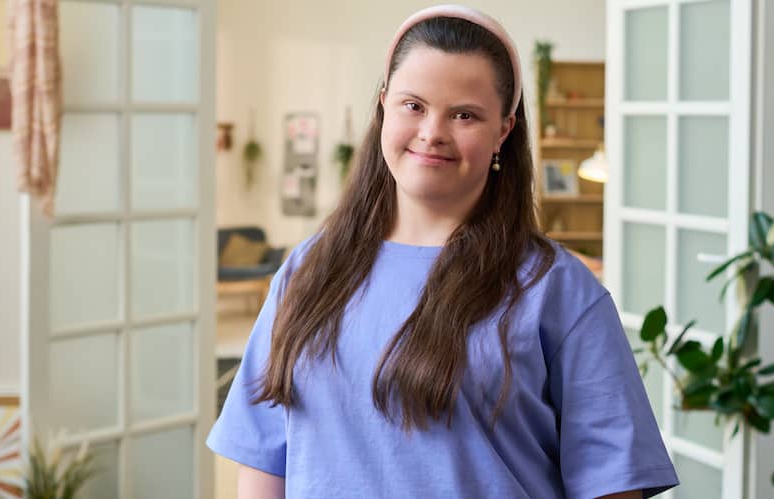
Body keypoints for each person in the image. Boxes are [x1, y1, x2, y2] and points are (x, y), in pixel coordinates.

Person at [207, 5, 679, 498]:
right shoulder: (308, 269)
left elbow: (611, 487)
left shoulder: (556, 289)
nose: (433, 131)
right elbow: (263, 461)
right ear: (384, 106)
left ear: (504, 130)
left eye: (464, 114)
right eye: (414, 105)